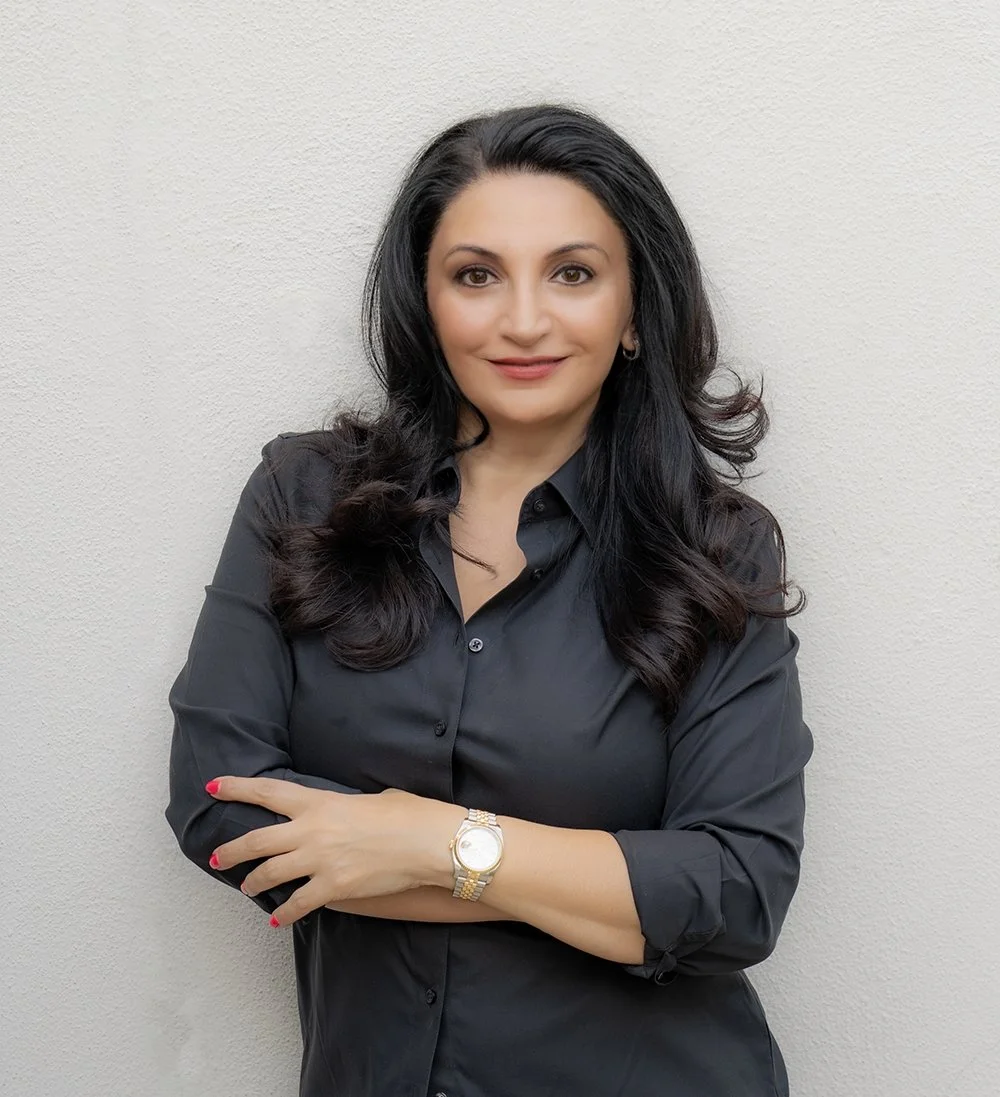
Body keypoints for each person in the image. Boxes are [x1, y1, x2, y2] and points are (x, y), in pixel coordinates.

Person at [165, 102, 814, 1097]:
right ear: (425, 304)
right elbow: (221, 807)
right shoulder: (301, 497)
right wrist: (602, 887)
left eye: (573, 273)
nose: (522, 319)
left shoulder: (718, 548)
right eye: (476, 275)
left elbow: (734, 893)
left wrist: (426, 844)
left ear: (636, 310)